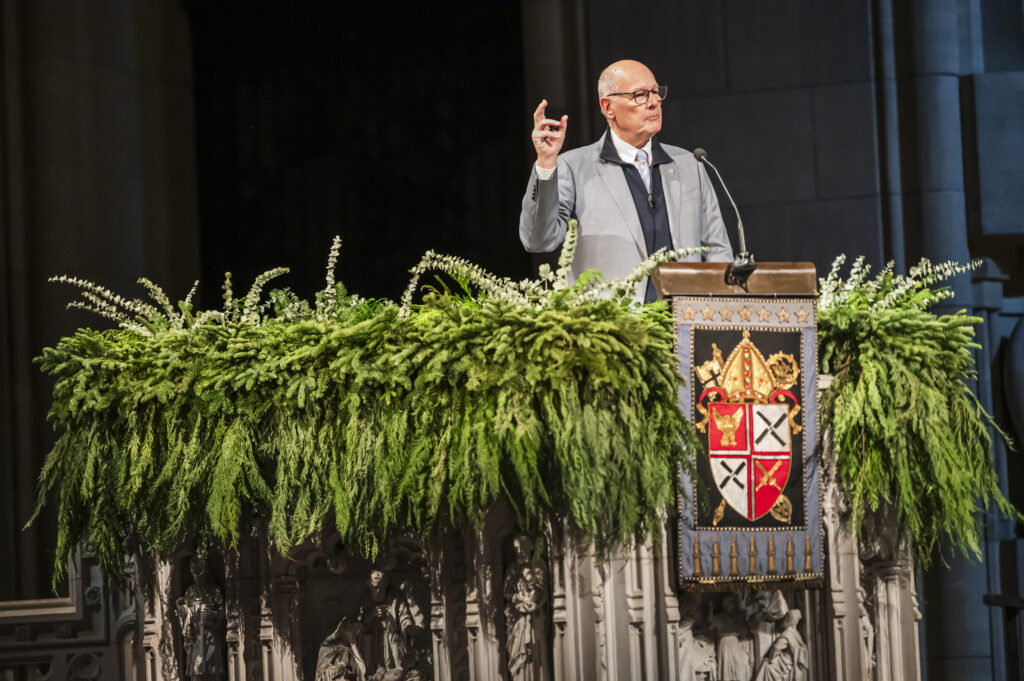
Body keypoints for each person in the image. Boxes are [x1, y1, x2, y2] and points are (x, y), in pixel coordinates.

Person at [519, 59, 733, 302]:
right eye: (640, 95)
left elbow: (718, 251)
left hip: (685, 319)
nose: (654, 102)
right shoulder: (574, 167)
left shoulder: (690, 164)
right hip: (614, 321)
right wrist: (546, 164)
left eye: (656, 92)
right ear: (608, 107)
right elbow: (539, 240)